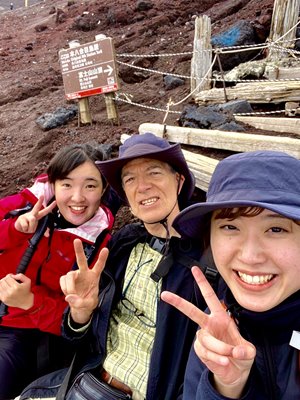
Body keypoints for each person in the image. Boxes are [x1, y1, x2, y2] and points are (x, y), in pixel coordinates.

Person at [31, 132, 220, 400]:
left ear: (179, 181)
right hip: (87, 383)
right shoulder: (122, 245)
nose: (142, 186)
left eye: (154, 173)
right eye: (130, 179)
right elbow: (77, 340)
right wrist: (80, 314)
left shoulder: (210, 260)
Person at [161, 150, 300, 400]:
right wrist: (227, 386)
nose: (250, 255)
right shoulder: (216, 325)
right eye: (230, 226)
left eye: (276, 228)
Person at [0, 142, 118, 399]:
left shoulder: (99, 247)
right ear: (52, 184)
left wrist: (30, 302)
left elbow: (73, 324)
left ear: (104, 189)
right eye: (66, 184)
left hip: (23, 332)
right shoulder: (23, 205)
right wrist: (13, 230)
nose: (77, 197)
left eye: (90, 185)